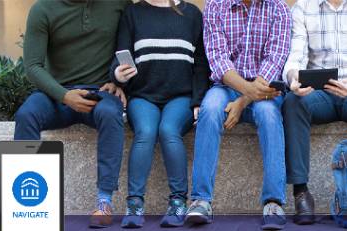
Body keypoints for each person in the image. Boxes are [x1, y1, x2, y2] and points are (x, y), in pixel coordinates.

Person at [14, 0, 131, 228]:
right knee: (26, 114)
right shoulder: (42, 9)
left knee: (110, 113)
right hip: (56, 95)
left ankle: (104, 201)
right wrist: (64, 96)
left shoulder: (118, 3)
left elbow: (130, 43)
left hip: (99, 92)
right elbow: (33, 66)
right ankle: (26, 206)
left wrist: (119, 82)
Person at [185, 0, 291, 230]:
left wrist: (243, 101)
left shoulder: (278, 7)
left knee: (269, 116)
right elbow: (218, 59)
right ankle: (201, 200)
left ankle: (273, 202)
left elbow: (275, 60)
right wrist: (245, 91)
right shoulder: (215, 5)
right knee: (210, 110)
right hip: (225, 86)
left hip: (265, 90)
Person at [282, 0, 347, 225]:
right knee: (293, 102)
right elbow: (295, 57)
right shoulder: (302, 7)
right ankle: (301, 192)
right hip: (319, 94)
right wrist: (293, 79)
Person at [109, 0, 209, 228]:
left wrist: (198, 99)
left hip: (181, 97)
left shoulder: (191, 13)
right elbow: (119, 56)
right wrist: (119, 74)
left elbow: (201, 63)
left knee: (168, 130)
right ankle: (134, 204)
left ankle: (178, 202)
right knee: (145, 131)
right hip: (143, 95)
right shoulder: (133, 13)